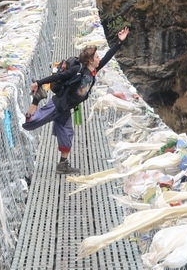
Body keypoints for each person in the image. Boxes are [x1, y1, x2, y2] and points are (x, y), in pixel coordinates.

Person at [23, 26, 130, 175]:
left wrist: (119, 42)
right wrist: (39, 83)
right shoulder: (78, 70)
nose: (99, 59)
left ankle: (63, 165)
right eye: (97, 57)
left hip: (66, 110)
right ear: (90, 60)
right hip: (57, 105)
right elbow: (58, 77)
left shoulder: (93, 71)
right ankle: (37, 99)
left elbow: (107, 57)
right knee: (29, 124)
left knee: (67, 134)